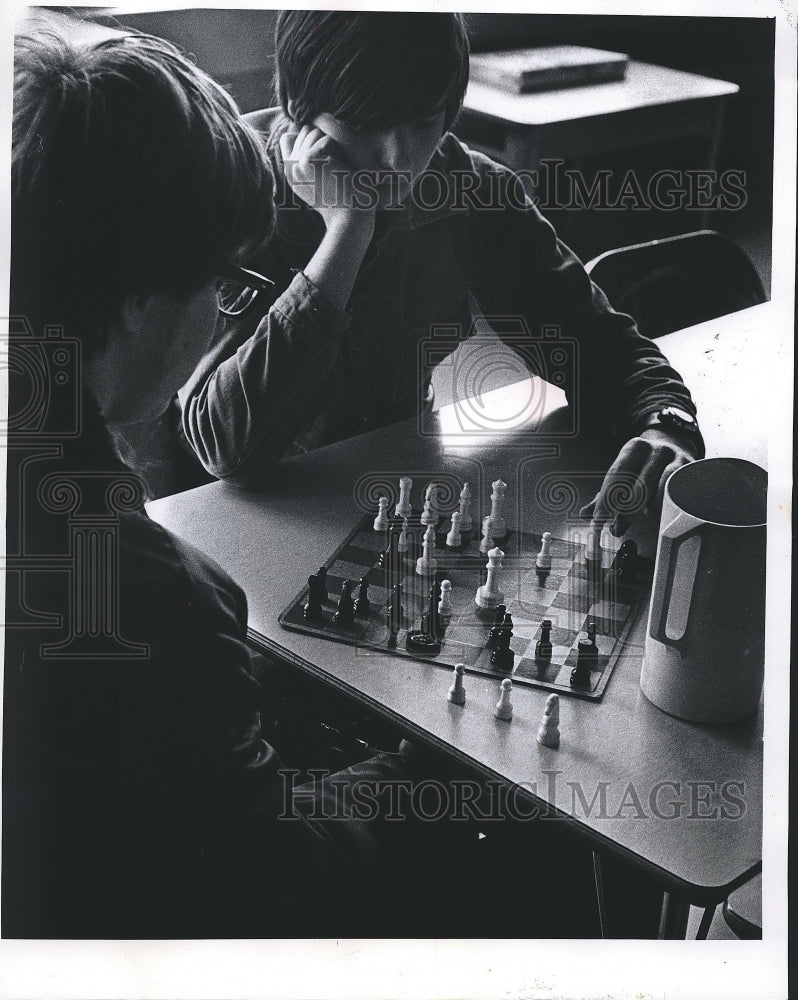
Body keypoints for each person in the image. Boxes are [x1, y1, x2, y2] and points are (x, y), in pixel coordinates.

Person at [4, 27, 452, 940]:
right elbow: (276, 875)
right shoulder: (160, 599)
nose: (222, 307)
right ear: (138, 302)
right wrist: (420, 776)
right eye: (220, 280)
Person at [177, 10, 705, 536]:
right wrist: (348, 231)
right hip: (241, 518)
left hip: (398, 491)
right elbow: (228, 451)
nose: (398, 159)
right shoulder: (232, 189)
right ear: (299, 108)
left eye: (424, 120)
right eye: (363, 123)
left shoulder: (470, 188)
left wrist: (666, 423)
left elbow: (595, 341)